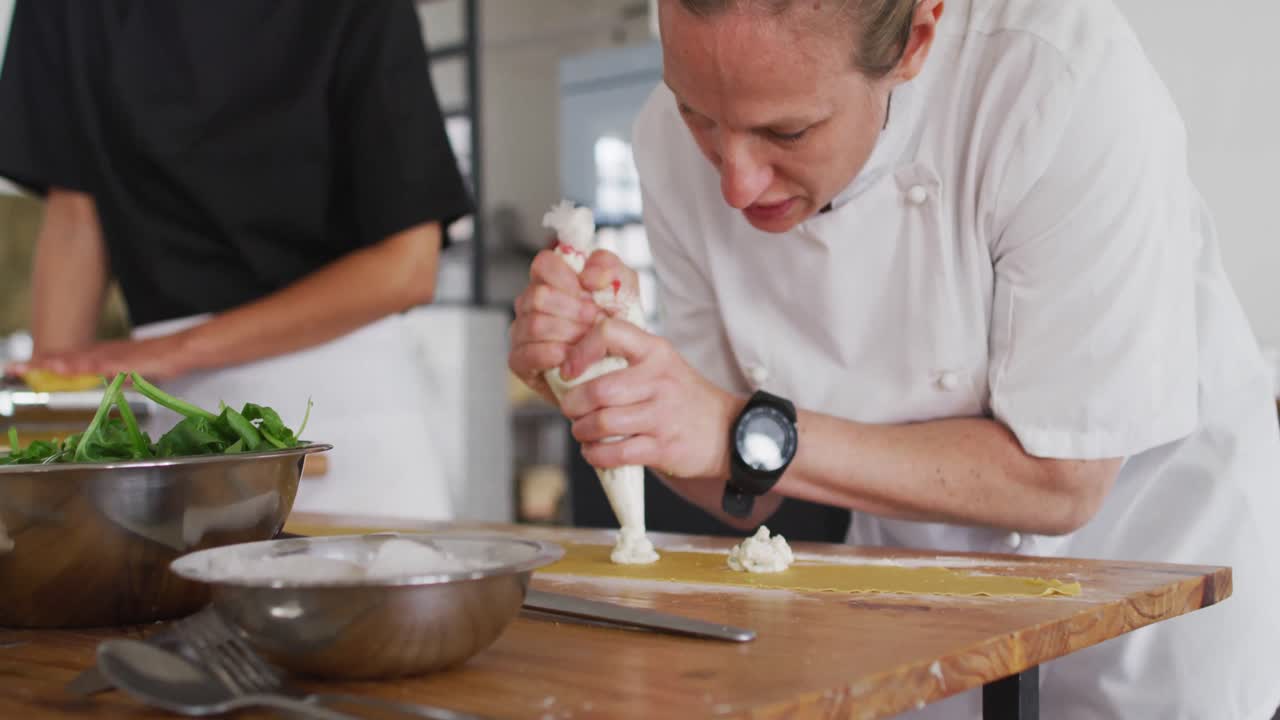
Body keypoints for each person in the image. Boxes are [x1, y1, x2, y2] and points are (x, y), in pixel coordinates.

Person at [508, 0, 1280, 717]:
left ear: (915, 39)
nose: (735, 184)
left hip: (1148, 591)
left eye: (788, 133)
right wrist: (611, 381)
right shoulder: (664, 147)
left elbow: (1062, 482)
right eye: (698, 116)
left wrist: (738, 430)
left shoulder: (1053, 81)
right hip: (908, 601)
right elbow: (745, 488)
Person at [0, 0, 472, 519]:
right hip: (171, 425)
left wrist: (173, 351)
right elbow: (75, 215)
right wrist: (53, 448)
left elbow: (406, 268)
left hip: (349, 420)